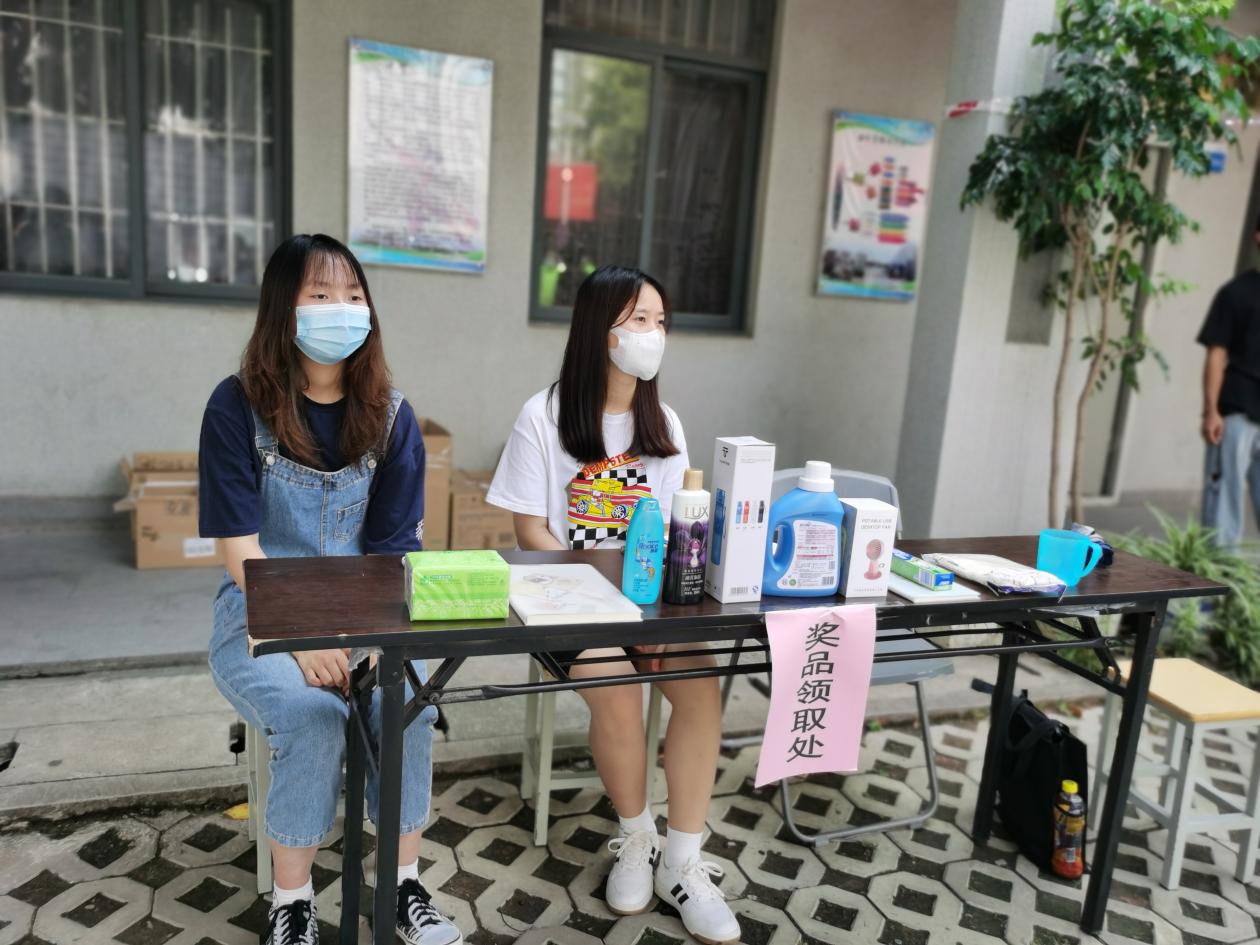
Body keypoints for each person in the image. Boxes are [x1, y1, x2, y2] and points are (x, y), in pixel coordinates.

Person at [199, 234, 462, 945]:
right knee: (312, 714)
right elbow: (238, 546)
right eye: (320, 294)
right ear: (282, 309)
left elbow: (393, 551)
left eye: (353, 295)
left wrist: (373, 640)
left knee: (404, 703)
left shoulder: (391, 415)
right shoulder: (235, 407)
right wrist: (300, 635)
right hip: (258, 612)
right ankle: (292, 902)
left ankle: (403, 886)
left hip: (367, 608)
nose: (340, 309)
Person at [486, 265, 740, 945]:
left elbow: (678, 527)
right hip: (567, 601)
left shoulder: (665, 422)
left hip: (649, 602)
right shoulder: (543, 416)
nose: (653, 334)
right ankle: (637, 837)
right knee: (617, 685)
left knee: (702, 685)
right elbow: (531, 534)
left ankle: (682, 861)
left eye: (660, 321)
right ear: (599, 329)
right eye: (638, 320)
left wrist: (652, 610)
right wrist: (600, 600)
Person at [1199, 214, 1260, 548]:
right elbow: (1216, 354)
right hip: (1236, 410)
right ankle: (1218, 579)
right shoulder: (1236, 293)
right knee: (1224, 506)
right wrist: (1211, 411)